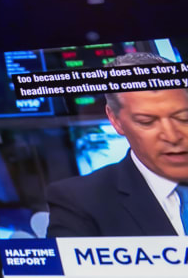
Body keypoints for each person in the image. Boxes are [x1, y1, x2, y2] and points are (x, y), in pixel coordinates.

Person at [46, 52, 188, 237]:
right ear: (115, 120)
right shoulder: (80, 201)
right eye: (146, 121)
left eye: (183, 117)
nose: (172, 136)